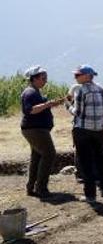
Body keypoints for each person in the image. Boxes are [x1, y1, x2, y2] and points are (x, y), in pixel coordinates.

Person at [65, 64, 103, 203]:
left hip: (82, 131)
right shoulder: (102, 89)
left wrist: (68, 106)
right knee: (101, 160)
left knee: (86, 163)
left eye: (78, 75)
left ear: (87, 76)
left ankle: (90, 196)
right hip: (99, 130)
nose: (75, 77)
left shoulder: (81, 91)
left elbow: (79, 113)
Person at [20, 66, 65, 199]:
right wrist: (48, 104)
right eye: (43, 78)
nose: (45, 80)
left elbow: (43, 105)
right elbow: (31, 110)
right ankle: (41, 188)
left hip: (35, 129)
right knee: (49, 154)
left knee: (37, 157)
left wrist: (55, 102)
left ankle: (31, 187)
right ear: (34, 79)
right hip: (35, 130)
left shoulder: (36, 92)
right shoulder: (30, 93)